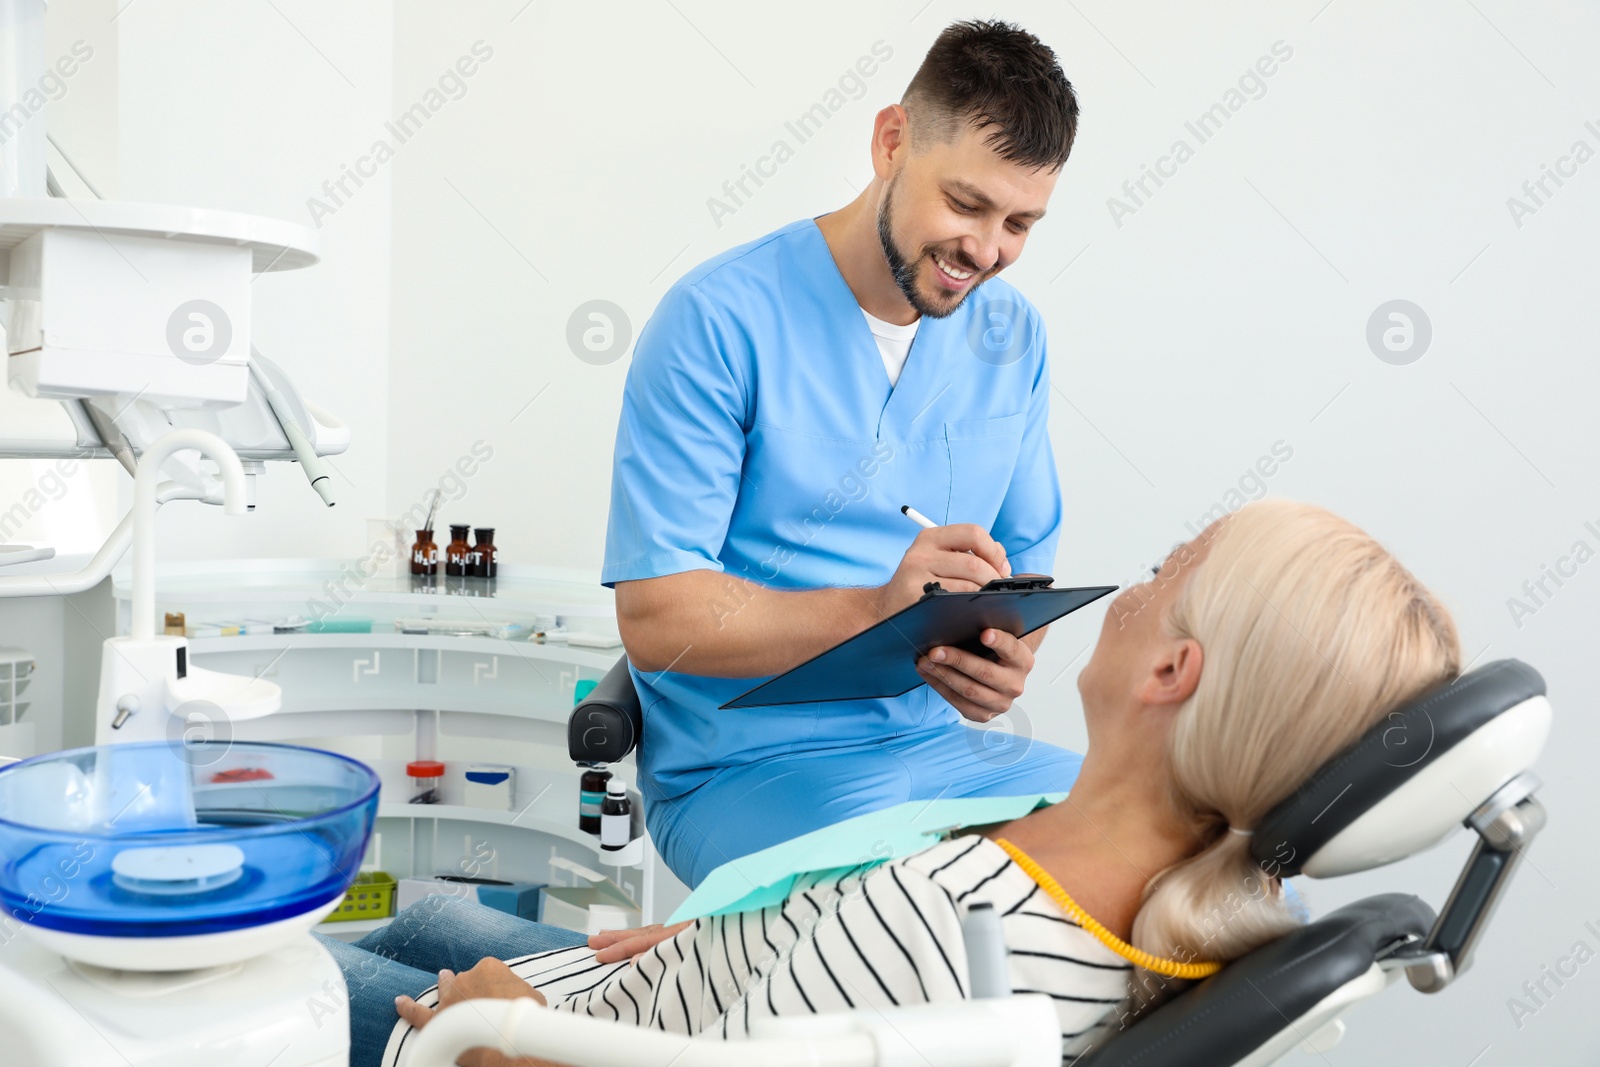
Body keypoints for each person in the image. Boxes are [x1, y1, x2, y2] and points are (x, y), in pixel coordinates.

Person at [320, 499, 1462, 1067]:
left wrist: (498, 1037)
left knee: (284, 979)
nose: (1130, 584)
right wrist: (743, 932)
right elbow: (834, 950)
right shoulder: (1108, 852)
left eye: (1166, 573)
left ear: (1172, 668)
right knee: (422, 909)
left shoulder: (959, 950)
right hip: (676, 975)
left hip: (556, 1041)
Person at [601, 19, 1086, 888]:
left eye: (1020, 222)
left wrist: (998, 661)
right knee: (930, 914)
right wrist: (874, 611)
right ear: (891, 141)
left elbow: (1019, 575)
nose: (987, 251)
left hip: (940, 753)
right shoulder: (718, 322)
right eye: (967, 205)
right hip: (743, 772)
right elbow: (658, 618)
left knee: (1189, 847)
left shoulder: (1012, 336)